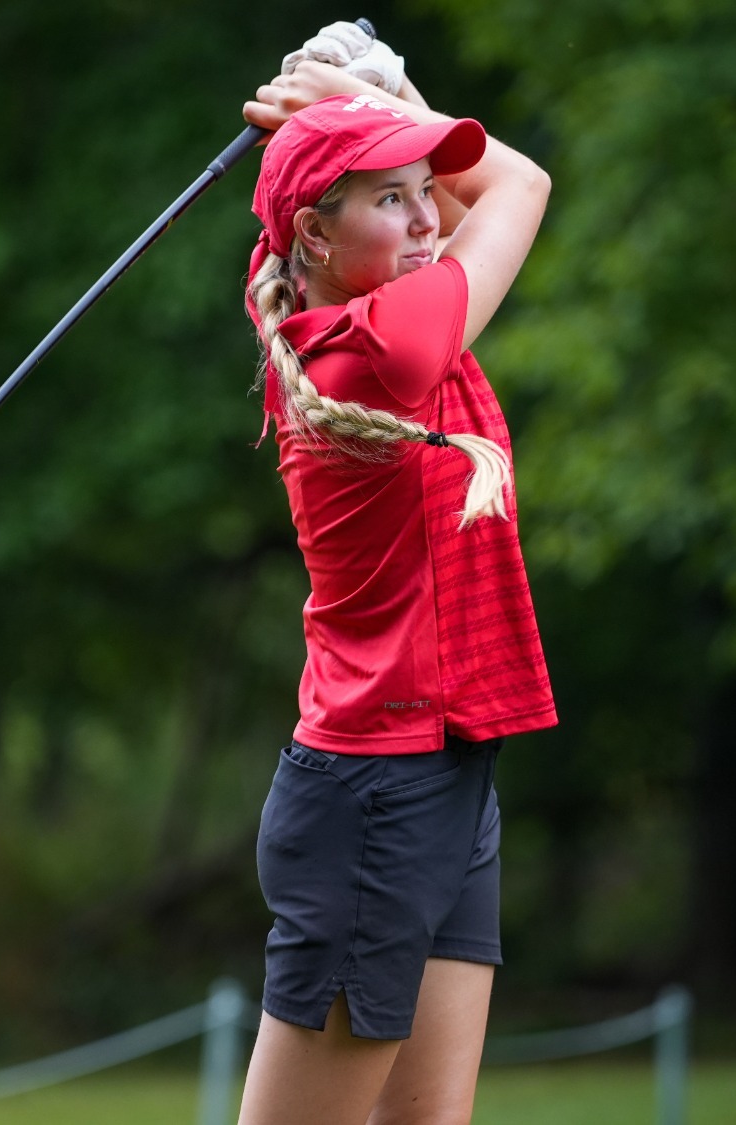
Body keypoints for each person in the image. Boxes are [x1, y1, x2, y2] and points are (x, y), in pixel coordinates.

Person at [234, 45, 557, 1125]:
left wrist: (365, 122)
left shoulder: (313, 297)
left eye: (425, 193)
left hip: (444, 770)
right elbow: (519, 186)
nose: (427, 221)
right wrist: (372, 97)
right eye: (391, 199)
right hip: (375, 798)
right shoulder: (381, 347)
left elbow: (427, 205)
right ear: (317, 238)